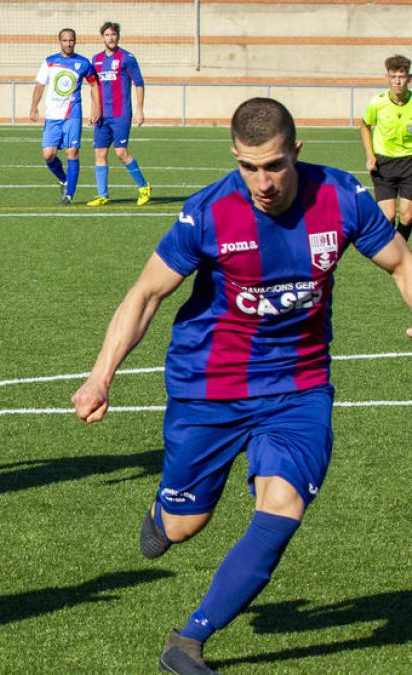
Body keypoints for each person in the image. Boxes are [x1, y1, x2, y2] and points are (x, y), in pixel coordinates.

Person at [71, 97, 412, 674]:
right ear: (235, 157)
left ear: (296, 151)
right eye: (249, 167)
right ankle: (164, 512)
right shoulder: (208, 211)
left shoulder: (342, 197)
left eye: (275, 165)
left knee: (284, 505)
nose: (263, 181)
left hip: (298, 386)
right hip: (209, 385)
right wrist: (100, 377)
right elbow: (147, 294)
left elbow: (402, 263)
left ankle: (189, 640)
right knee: (184, 527)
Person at [29, 27, 101, 206]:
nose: (69, 43)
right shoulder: (50, 62)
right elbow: (39, 86)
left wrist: (96, 107)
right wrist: (33, 107)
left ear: (75, 41)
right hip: (52, 115)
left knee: (72, 151)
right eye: (65, 40)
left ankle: (68, 195)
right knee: (48, 154)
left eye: (71, 40)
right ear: (59, 41)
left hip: (72, 114)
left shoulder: (83, 63)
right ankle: (64, 179)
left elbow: (94, 85)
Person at [86, 21, 151, 207]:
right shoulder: (96, 59)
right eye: (107, 35)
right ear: (102, 37)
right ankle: (102, 195)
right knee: (100, 153)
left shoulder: (127, 58)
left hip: (121, 113)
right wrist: (93, 109)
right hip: (102, 115)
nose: (111, 38)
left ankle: (144, 186)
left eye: (113, 35)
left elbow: (139, 83)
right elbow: (94, 87)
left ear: (118, 36)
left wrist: (139, 109)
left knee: (121, 152)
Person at [361, 54, 412, 239]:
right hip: (383, 164)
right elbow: (365, 125)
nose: (397, 81)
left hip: (409, 162)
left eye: (401, 76)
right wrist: (370, 154)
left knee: (408, 215)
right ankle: (394, 250)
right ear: (387, 78)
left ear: (409, 78)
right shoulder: (377, 102)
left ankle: (399, 251)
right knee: (388, 216)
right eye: (393, 76)